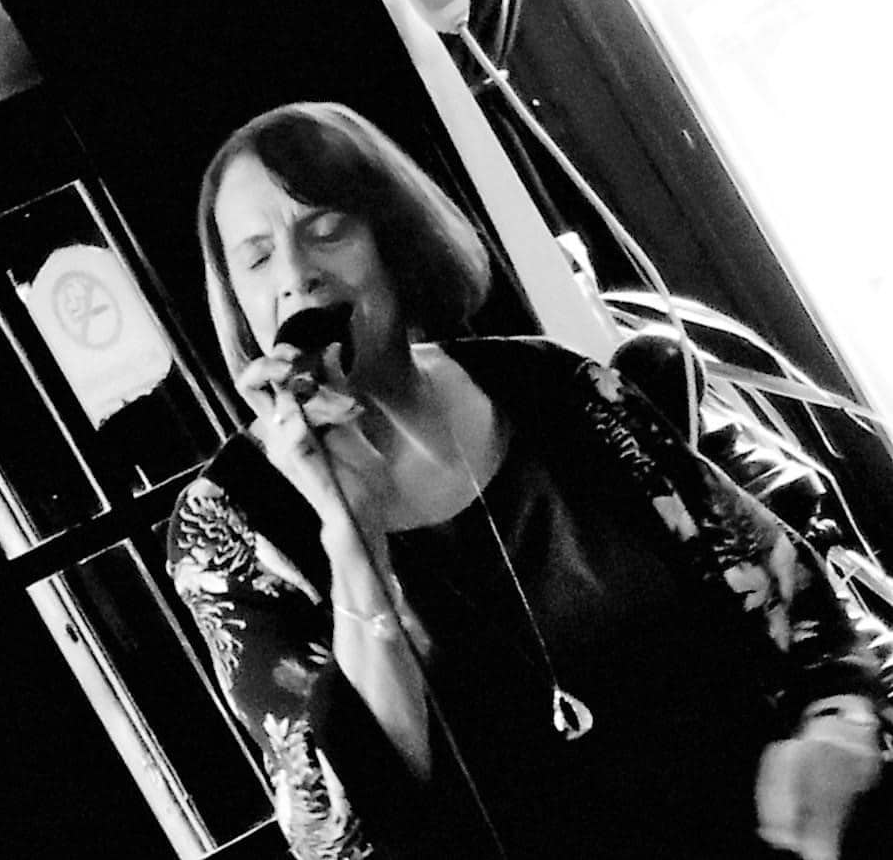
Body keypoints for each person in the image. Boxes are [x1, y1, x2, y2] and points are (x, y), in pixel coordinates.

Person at [167, 101, 890, 859]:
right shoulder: (228, 524)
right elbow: (343, 833)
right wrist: (353, 539)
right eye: (255, 256)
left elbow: (801, 603)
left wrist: (837, 730)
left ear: (394, 239)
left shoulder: (558, 387)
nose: (295, 274)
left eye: (326, 230)